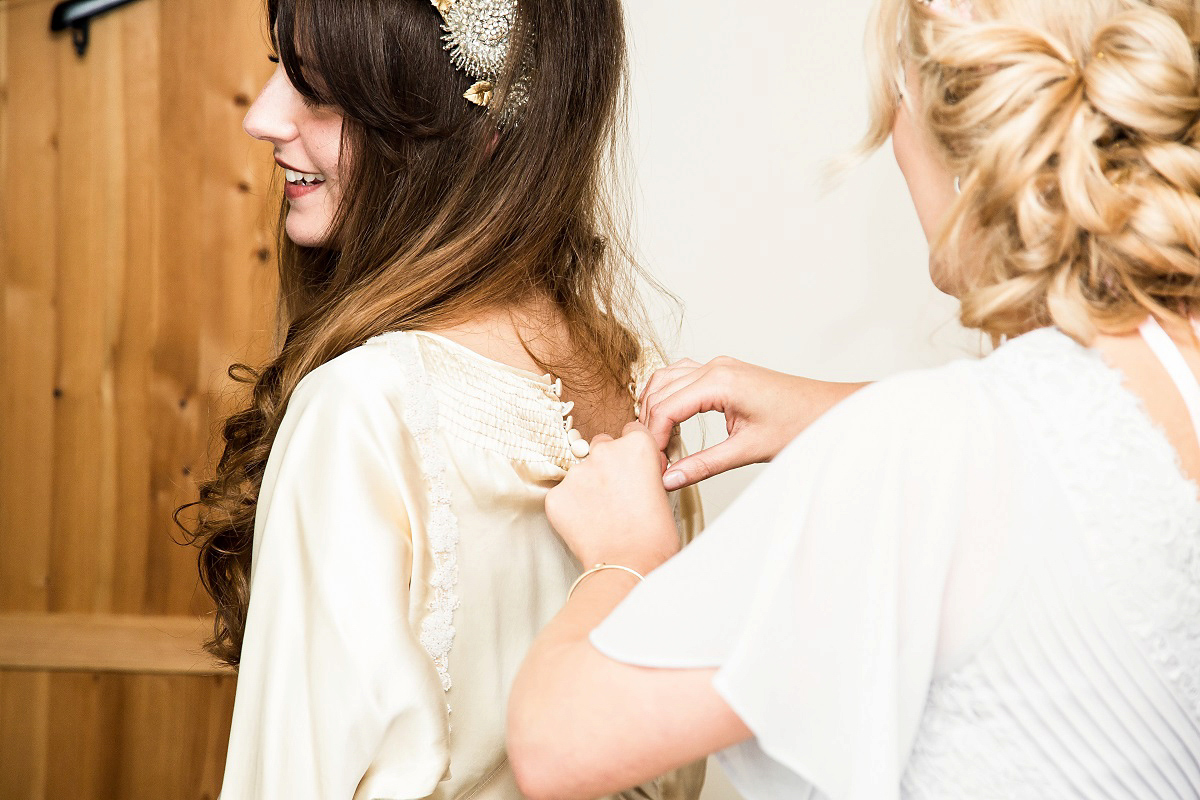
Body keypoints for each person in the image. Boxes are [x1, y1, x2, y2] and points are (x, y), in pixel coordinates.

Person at [507, 0, 1200, 798]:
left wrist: (626, 557)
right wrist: (834, 415)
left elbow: (556, 744)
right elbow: (1088, 464)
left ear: (950, 131)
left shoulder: (928, 453)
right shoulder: (1165, 364)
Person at [178, 0, 706, 797]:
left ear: (474, 128)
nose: (262, 116)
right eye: (278, 68)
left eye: (319, 90)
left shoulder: (362, 413)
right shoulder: (640, 381)